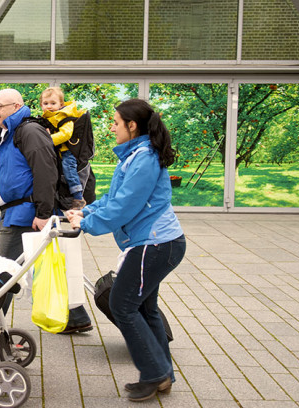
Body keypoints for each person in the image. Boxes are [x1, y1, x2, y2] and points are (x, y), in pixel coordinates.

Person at [67, 98, 186, 401]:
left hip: (155, 243)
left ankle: (154, 373)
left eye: (116, 123)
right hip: (154, 242)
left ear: (132, 126)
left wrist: (87, 225)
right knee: (145, 308)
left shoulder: (143, 158)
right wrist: (86, 213)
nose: (112, 128)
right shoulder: (133, 157)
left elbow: (124, 206)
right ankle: (163, 375)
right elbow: (112, 199)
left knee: (122, 304)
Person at [0, 88, 92, 334]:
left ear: (17, 106)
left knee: (2, 272)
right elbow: (6, 169)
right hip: (21, 212)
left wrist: (43, 213)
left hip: (26, 215)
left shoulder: (29, 131)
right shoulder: (8, 134)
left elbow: (46, 172)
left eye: (1, 105)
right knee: (45, 265)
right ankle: (75, 317)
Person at [40, 87, 86, 209]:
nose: (49, 106)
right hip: (54, 153)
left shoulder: (65, 116)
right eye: (45, 103)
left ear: (61, 104)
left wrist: (48, 140)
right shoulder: (46, 119)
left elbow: (66, 134)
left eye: (53, 103)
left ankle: (78, 197)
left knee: (69, 171)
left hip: (66, 152)